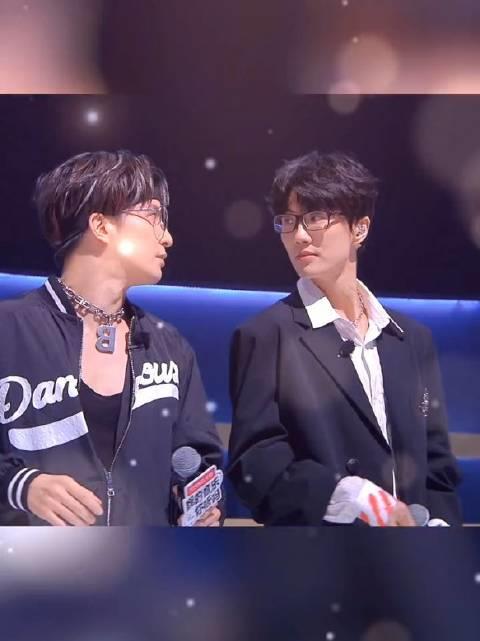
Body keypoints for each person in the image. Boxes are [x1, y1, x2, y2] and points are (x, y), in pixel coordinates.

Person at [228, 151, 461, 527]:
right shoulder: (266, 335)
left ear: (359, 228)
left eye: (315, 217)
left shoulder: (412, 339)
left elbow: (437, 466)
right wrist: (344, 494)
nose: (299, 235)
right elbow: (255, 465)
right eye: (288, 221)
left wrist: (440, 527)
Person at [0, 150, 223, 526]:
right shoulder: (9, 329)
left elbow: (196, 460)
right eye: (153, 216)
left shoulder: (170, 346)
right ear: (101, 226)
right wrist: (19, 486)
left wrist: (198, 507)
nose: (168, 237)